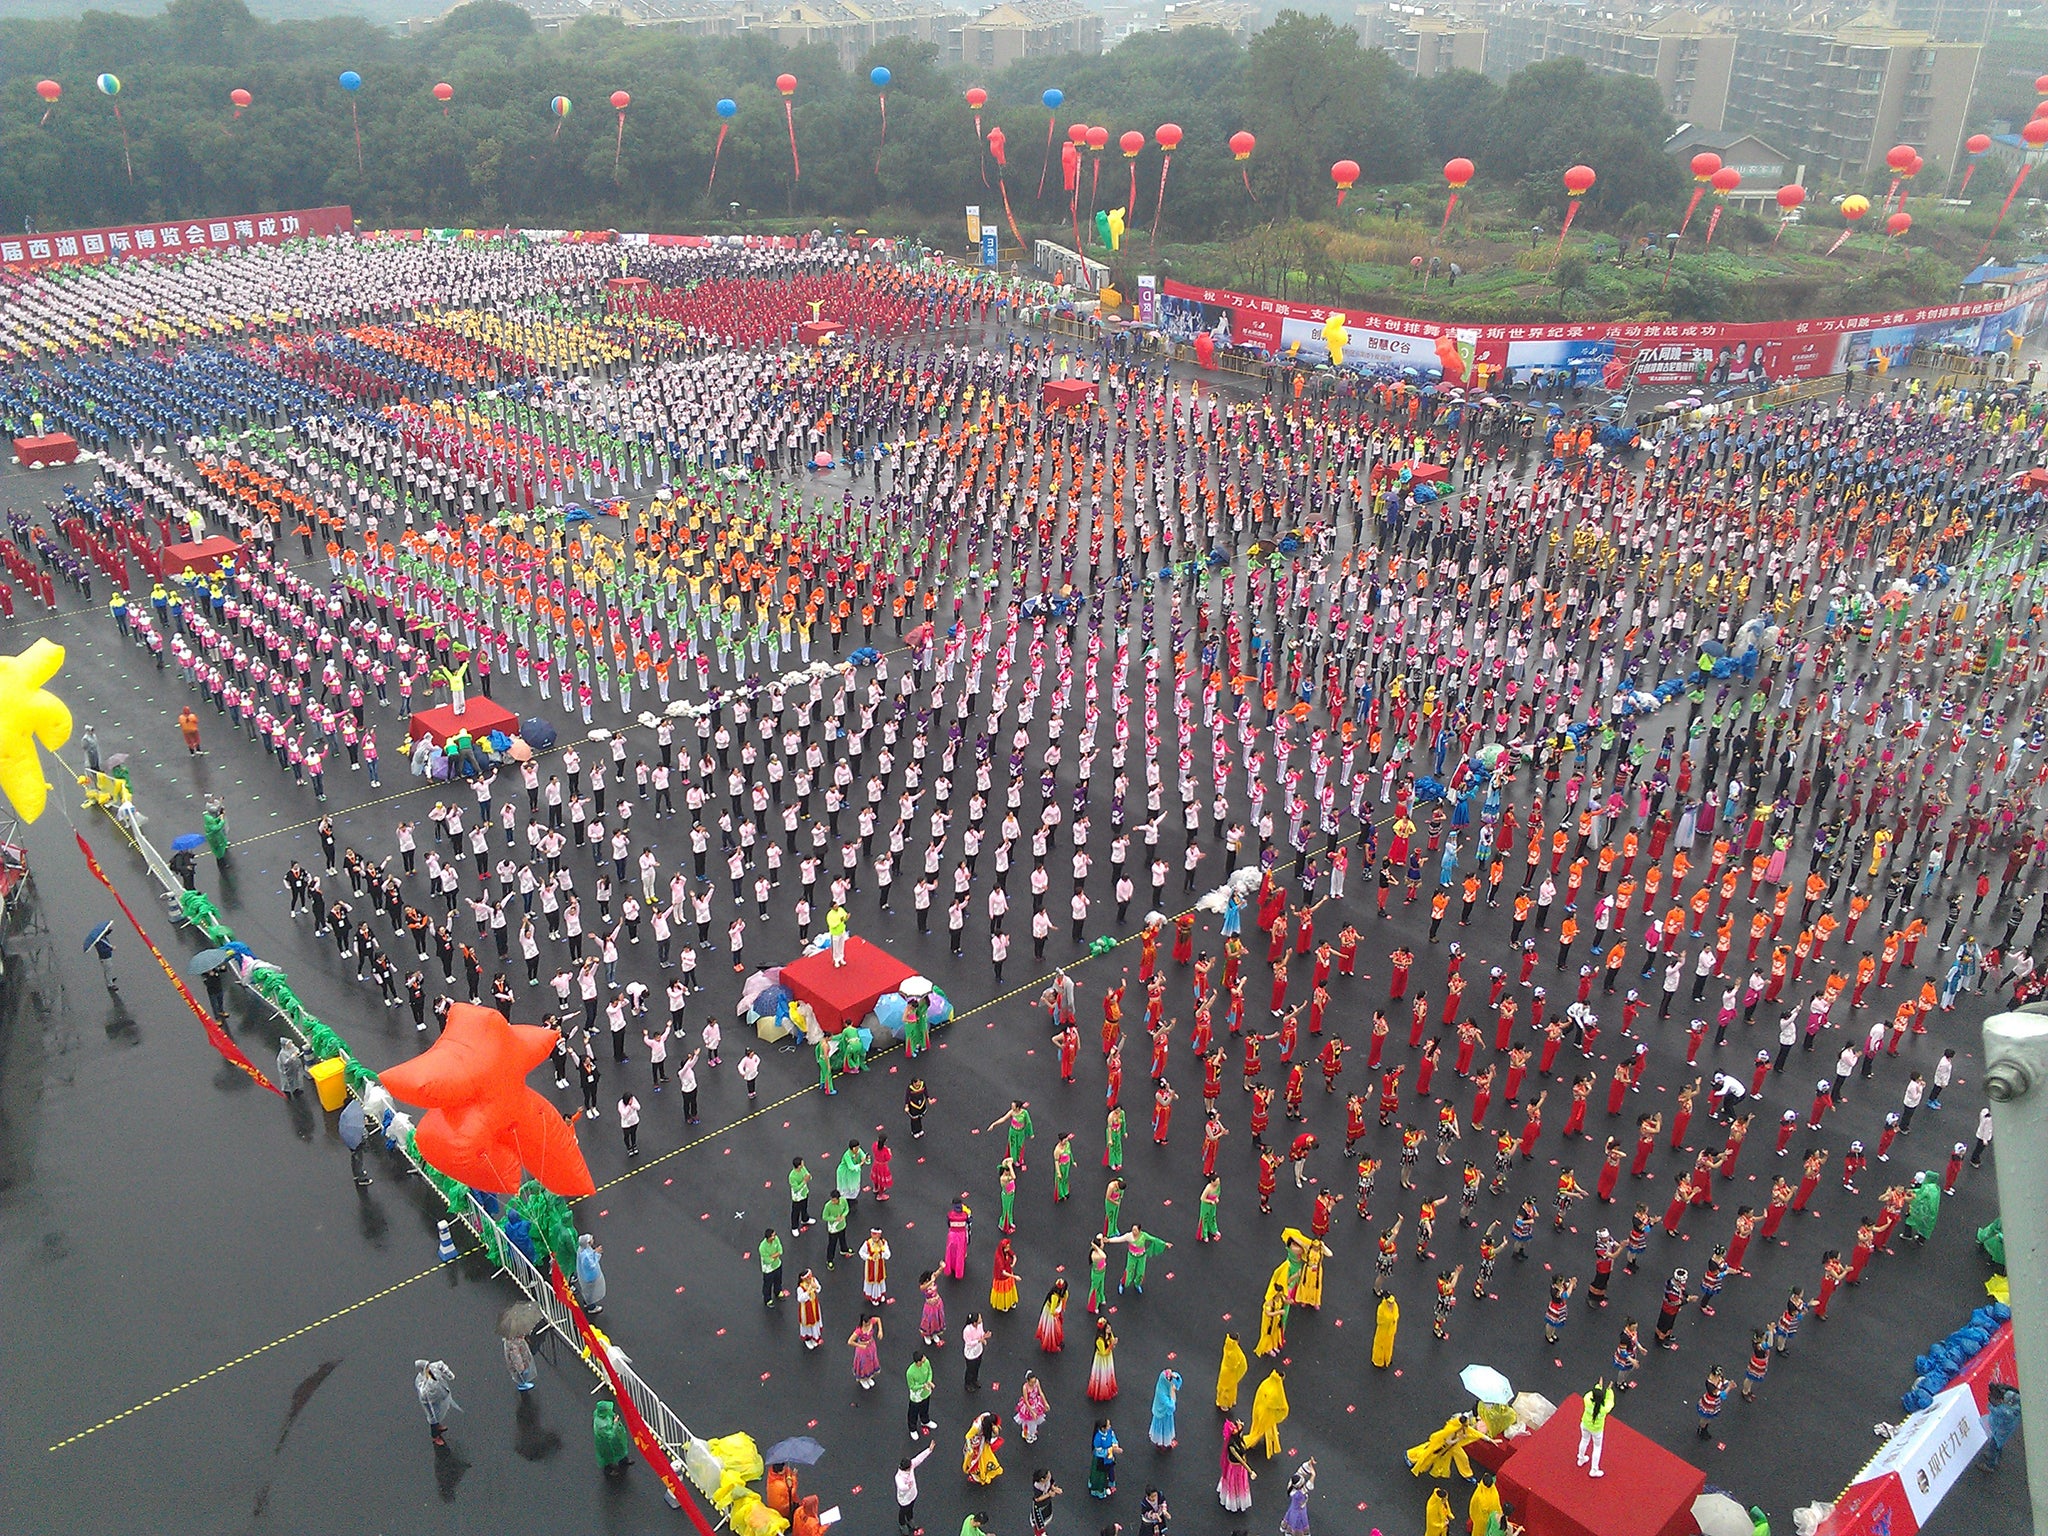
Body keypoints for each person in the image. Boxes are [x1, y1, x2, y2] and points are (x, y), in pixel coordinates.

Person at [414, 1358, 459, 1447]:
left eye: (427, 1366)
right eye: (426, 1368)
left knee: (438, 1414)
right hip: (429, 1402)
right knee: (433, 1418)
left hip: (439, 1397)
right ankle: (435, 1436)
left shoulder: (433, 1368)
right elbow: (424, 1393)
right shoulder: (420, 1380)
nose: (428, 1369)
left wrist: (449, 1374)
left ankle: (438, 1426)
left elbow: (441, 1365)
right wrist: (430, 1382)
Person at [1247, 1366, 1289, 1457]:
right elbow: (1279, 1404)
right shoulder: (1277, 1390)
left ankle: (1270, 1439)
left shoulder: (1266, 1382)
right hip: (1268, 1414)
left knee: (1259, 1426)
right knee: (1262, 1430)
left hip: (1259, 1409)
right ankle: (1251, 1442)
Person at [1577, 1378, 1616, 1477]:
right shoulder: (1604, 1409)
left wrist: (1598, 1386)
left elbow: (1591, 1394)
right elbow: (1610, 1401)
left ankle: (1581, 1458)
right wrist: (1609, 1390)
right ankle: (1594, 1469)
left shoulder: (1587, 1400)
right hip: (1597, 1430)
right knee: (1597, 1447)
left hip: (1585, 1424)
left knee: (1584, 1440)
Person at [1217, 1419, 1255, 1513]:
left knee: (1239, 1484)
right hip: (1234, 1468)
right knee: (1234, 1483)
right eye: (1233, 1429)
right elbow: (1240, 1460)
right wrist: (1250, 1471)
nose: (1236, 1429)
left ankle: (1237, 1499)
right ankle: (1233, 1501)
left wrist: (1241, 1426)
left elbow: (1240, 1432)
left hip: (1241, 1468)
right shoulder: (1231, 1446)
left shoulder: (1237, 1438)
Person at [897, 1444, 934, 1535]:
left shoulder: (910, 1466)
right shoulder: (899, 1477)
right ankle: (902, 1524)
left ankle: (910, 1519)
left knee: (911, 1509)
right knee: (903, 1511)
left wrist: (928, 1450)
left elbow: (918, 1459)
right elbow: (901, 1487)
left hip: (913, 1494)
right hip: (904, 1500)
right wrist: (907, 1486)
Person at [1280, 1457, 1315, 1536]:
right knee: (1299, 1525)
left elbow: (1300, 1472)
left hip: (1293, 1510)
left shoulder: (1292, 1484)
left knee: (1291, 1522)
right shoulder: (1299, 1495)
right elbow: (1309, 1486)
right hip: (1300, 1513)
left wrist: (1309, 1463)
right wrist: (1313, 1474)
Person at [1149, 1366, 1183, 1448]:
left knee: (1165, 1428)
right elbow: (1171, 1406)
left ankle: (1163, 1442)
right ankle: (1161, 1443)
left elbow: (1178, 1380)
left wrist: (1176, 1376)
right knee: (1163, 1428)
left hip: (1165, 1413)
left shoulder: (1164, 1381)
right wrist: (1172, 1392)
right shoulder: (1161, 1392)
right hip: (1162, 1414)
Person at [1088, 1417, 1122, 1498]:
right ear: (1103, 1428)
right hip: (1101, 1461)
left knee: (1111, 1471)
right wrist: (1112, 1450)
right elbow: (1100, 1452)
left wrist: (1115, 1446)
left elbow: (1113, 1438)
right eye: (1108, 1425)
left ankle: (1111, 1483)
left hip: (1109, 1458)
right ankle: (1099, 1491)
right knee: (1100, 1476)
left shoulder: (1109, 1431)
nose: (1110, 1426)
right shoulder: (1098, 1438)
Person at [574, 1233, 606, 1315]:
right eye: (590, 1239)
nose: (592, 1239)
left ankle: (587, 1302)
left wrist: (594, 1252)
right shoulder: (586, 1255)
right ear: (587, 1243)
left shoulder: (581, 1249)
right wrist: (597, 1253)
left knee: (587, 1291)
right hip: (591, 1277)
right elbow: (592, 1265)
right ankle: (591, 1307)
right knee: (591, 1292)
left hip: (586, 1276)